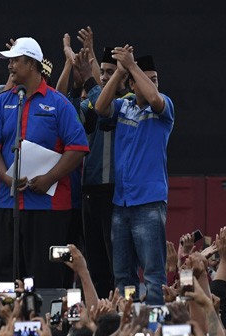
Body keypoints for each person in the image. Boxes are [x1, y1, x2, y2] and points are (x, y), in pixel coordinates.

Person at [0, 37, 88, 287]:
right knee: (6, 273)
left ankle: (49, 325)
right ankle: (7, 324)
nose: (10, 66)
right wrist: (5, 178)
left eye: (16, 61)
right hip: (7, 203)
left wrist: (50, 177)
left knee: (47, 275)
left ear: (32, 64)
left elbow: (78, 147)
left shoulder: (58, 103)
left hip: (48, 207)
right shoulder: (4, 101)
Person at [95, 48, 174, 305]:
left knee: (152, 275)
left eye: (155, 79)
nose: (152, 84)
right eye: (143, 78)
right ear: (131, 83)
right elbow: (99, 107)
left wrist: (134, 67)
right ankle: (127, 327)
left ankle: (154, 330)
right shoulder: (124, 107)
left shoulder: (163, 109)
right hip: (122, 204)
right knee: (123, 276)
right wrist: (120, 70)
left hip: (149, 204)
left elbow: (154, 97)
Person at [78, 44, 131, 299]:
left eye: (113, 72)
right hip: (90, 190)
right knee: (95, 261)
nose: (106, 77)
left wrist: (90, 75)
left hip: (115, 192)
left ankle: (121, 311)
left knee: (117, 263)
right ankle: (97, 312)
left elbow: (103, 104)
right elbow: (88, 109)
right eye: (104, 72)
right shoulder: (91, 101)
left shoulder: (127, 104)